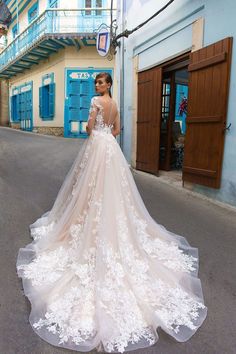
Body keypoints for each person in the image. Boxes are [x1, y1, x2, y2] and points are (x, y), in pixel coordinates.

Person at [16, 72, 207, 353]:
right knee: (115, 190)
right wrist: (106, 133)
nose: (97, 86)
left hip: (96, 147)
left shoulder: (95, 102)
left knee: (88, 188)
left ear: (106, 85)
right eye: (96, 83)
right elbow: (117, 130)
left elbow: (89, 129)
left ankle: (85, 219)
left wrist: (94, 123)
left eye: (100, 82)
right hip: (111, 149)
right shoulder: (116, 103)